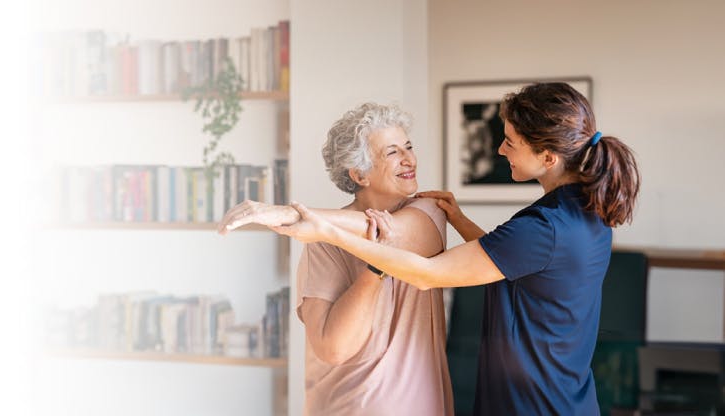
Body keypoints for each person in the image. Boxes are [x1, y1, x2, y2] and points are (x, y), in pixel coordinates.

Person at [220, 83, 640, 415]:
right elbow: (512, 259)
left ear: (548, 157)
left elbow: (423, 268)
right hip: (551, 397)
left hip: (535, 403)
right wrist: (322, 229)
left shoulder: (518, 223)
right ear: (358, 174)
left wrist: (316, 225)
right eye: (392, 151)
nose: (499, 148)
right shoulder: (583, 210)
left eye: (510, 141)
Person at [220, 102, 453, 415]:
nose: (409, 159)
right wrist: (374, 269)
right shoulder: (322, 243)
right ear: (359, 174)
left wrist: (296, 214)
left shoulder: (430, 211)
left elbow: (395, 233)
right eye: (392, 152)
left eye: (408, 147)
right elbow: (334, 348)